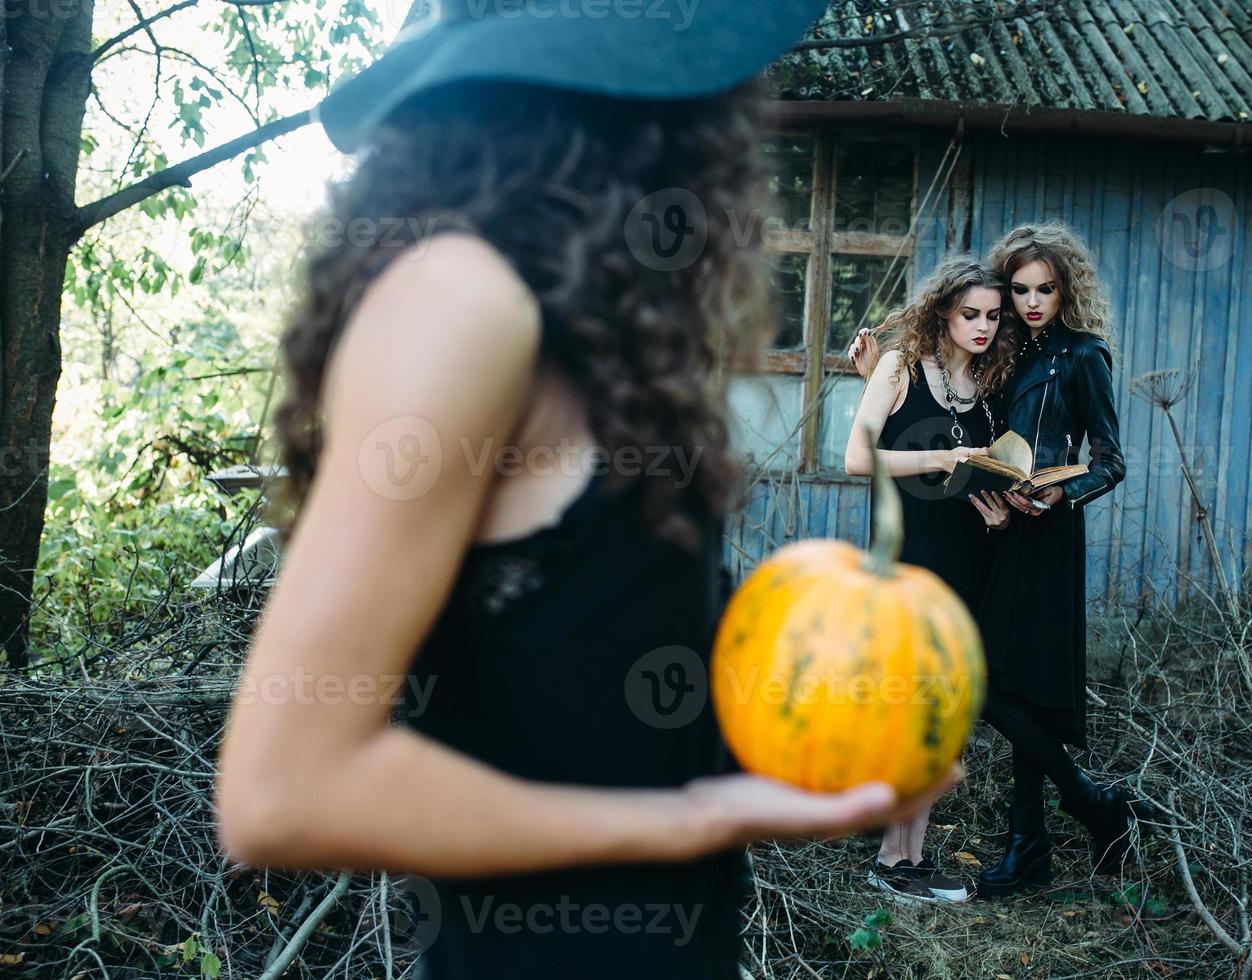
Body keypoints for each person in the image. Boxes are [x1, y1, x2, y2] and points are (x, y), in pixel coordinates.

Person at [213, 4, 959, 977]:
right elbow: (285, 791)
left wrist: (828, 728)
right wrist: (687, 819)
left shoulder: (593, 331)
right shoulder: (458, 299)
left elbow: (580, 695)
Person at [971, 223, 1152, 898]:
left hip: (1047, 532)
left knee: (1007, 684)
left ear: (1066, 287)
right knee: (1007, 685)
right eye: (1019, 289)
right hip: (994, 527)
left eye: (1045, 288)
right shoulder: (1004, 351)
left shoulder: (1084, 356)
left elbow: (1112, 461)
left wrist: (1060, 493)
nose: (1031, 301)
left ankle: (1063, 819)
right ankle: (1051, 834)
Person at [843, 256, 1018, 903]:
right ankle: (891, 860)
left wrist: (998, 514)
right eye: (970, 313)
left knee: (940, 715)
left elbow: (980, 479)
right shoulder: (898, 367)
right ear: (942, 309)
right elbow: (858, 457)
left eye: (993, 317)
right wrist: (945, 455)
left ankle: (911, 858)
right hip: (906, 563)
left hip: (968, 563)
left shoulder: (989, 389)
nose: (982, 326)